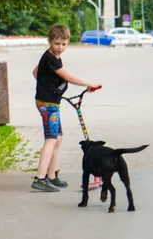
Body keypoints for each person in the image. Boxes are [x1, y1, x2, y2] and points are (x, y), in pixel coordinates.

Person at [31, 24, 101, 192]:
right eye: (57, 43)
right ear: (49, 41)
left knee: (58, 138)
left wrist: (45, 84)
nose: (60, 47)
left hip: (50, 102)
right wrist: (89, 84)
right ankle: (40, 179)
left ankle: (52, 176)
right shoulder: (50, 58)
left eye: (64, 44)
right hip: (47, 104)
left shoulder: (52, 57)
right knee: (51, 139)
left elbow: (35, 72)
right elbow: (68, 77)